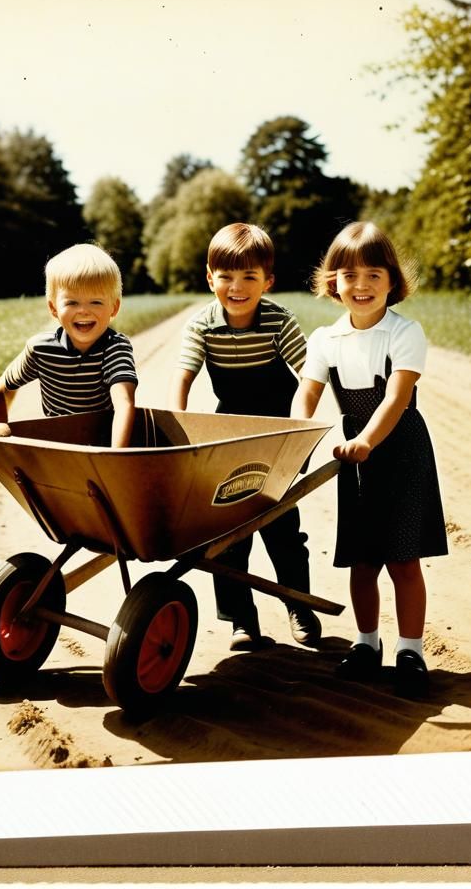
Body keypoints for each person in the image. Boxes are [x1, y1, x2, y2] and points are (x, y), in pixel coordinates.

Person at [291, 220, 448, 698]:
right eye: (350, 275)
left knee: (403, 559)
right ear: (332, 281)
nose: (361, 286)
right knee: (362, 560)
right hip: (356, 456)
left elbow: (395, 400)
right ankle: (365, 643)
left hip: (399, 450)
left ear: (392, 282)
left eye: (374, 275)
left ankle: (411, 650)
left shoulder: (404, 332)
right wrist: (296, 438)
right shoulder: (325, 340)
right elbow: (307, 394)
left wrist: (366, 442)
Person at [169, 222, 323, 652]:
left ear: (268, 281)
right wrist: (180, 427)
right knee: (227, 527)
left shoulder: (277, 320)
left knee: (281, 526)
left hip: (278, 431)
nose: (237, 287)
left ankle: (298, 605)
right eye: (227, 277)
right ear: (210, 278)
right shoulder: (203, 325)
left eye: (249, 277)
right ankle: (241, 619)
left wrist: (300, 427)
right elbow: (182, 377)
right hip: (234, 430)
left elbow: (310, 372)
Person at [0, 243, 137, 448]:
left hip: (102, 447)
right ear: (53, 308)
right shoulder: (40, 349)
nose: (84, 311)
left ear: (114, 307)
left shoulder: (115, 349)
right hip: (57, 448)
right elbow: (0, 389)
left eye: (96, 302)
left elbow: (124, 404)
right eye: (72, 303)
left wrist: (115, 459)